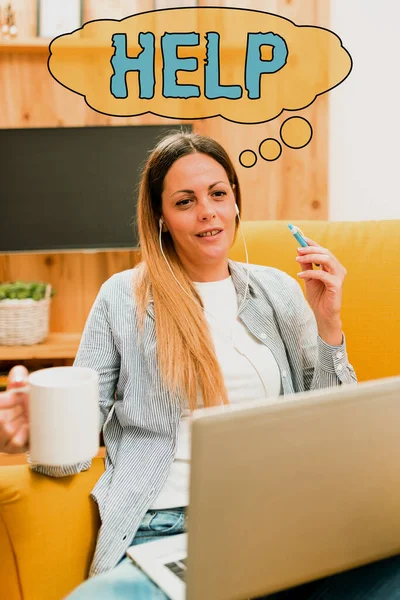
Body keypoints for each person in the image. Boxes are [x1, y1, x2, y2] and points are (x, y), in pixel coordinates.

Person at [1, 132, 399, 599]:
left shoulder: (279, 291)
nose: (207, 210)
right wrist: (39, 430)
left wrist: (328, 323)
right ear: (162, 219)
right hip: (170, 528)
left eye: (218, 194)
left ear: (234, 203)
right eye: (185, 201)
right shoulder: (122, 298)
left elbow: (334, 424)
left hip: (284, 523)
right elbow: (72, 445)